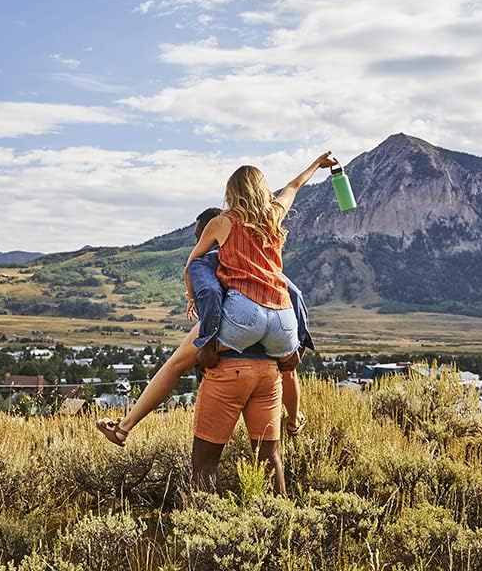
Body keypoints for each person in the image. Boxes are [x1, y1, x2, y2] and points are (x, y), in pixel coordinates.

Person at [95, 207, 315, 446]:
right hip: (274, 332)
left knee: (174, 365)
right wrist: (296, 343)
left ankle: (124, 427)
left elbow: (210, 293)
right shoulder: (263, 266)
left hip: (229, 331)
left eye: (201, 236)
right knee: (287, 374)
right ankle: (294, 420)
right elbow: (294, 295)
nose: (200, 242)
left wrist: (207, 339)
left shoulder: (213, 259)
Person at [183, 152, 335, 492]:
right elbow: (295, 185)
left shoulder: (221, 222)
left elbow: (193, 263)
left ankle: (204, 526)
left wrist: (193, 297)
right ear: (262, 191)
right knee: (271, 459)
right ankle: (281, 524)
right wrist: (317, 163)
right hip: (282, 320)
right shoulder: (275, 216)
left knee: (204, 462)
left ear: (231, 192)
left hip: (245, 315)